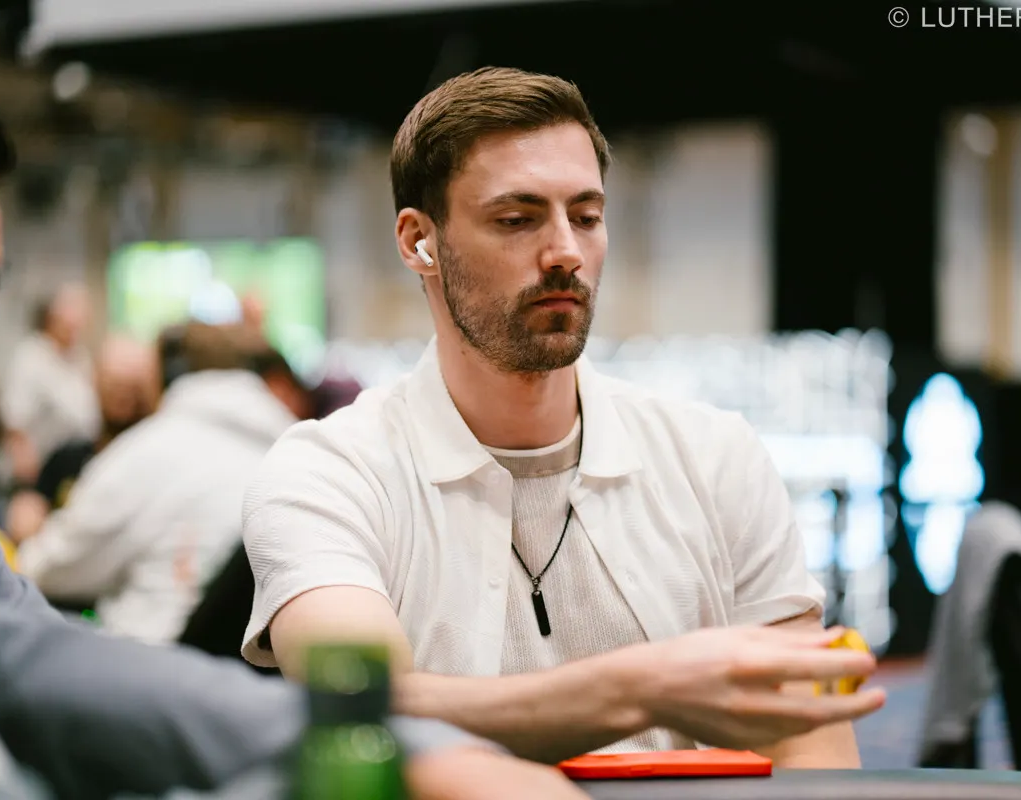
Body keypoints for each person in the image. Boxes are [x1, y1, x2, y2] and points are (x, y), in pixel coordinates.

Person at [0, 88, 592, 800]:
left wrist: (418, 755)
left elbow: (52, 657)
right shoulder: (315, 468)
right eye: (515, 218)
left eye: (588, 216)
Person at [241, 66, 884, 766]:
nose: (566, 254)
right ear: (418, 241)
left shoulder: (714, 455)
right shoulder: (330, 473)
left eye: (586, 216)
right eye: (516, 220)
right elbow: (361, 708)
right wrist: (644, 689)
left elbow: (810, 738)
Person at [15, 324, 312, 644]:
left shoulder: (144, 452)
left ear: (169, 374)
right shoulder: (298, 455)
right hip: (262, 666)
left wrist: (28, 538)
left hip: (151, 657)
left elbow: (49, 568)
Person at [5, 335, 159, 544]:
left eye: (133, 388)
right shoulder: (67, 459)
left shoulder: (158, 464)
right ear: (95, 382)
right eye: (113, 384)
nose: (121, 398)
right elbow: (27, 513)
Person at [0, 281, 99, 489]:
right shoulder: (31, 356)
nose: (77, 321)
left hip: (72, 467)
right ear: (52, 316)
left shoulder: (81, 359)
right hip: (34, 473)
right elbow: (14, 420)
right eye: (71, 311)